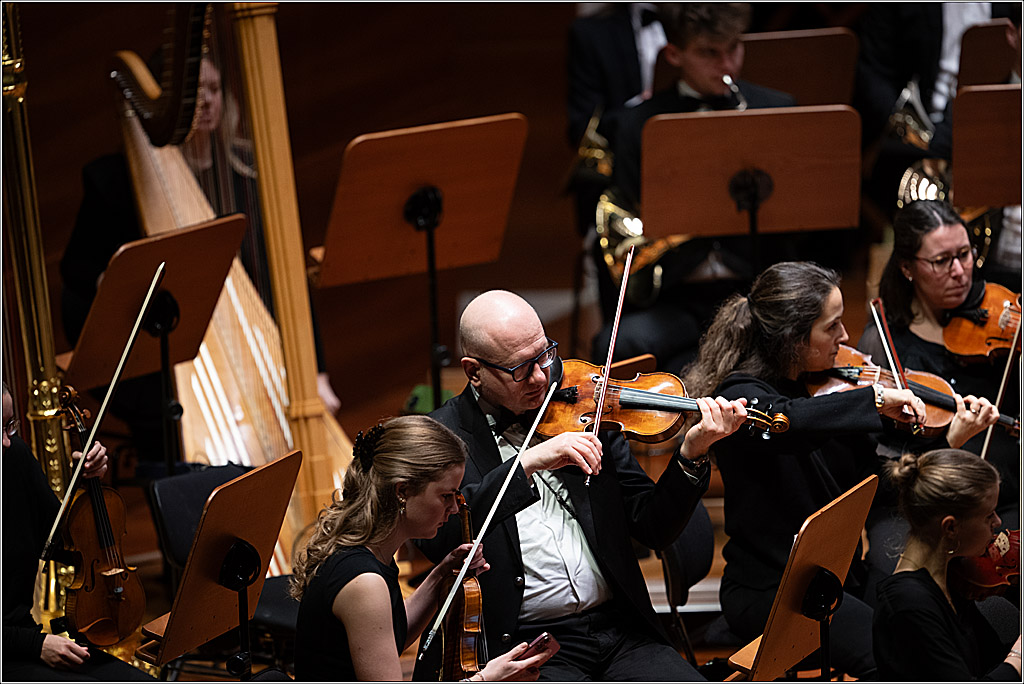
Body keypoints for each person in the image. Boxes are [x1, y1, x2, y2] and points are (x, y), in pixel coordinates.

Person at [681, 260, 999, 679]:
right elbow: (789, 421)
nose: (845, 337)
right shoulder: (741, 399)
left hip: (837, 578)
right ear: (794, 337)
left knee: (933, 621)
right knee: (890, 657)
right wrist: (875, 401)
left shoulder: (819, 390)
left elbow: (875, 487)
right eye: (831, 327)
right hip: (775, 592)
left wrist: (946, 441)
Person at [414, 289, 749, 681]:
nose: (542, 377)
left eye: (544, 354)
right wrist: (525, 465)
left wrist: (692, 454)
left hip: (621, 631)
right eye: (520, 369)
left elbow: (652, 525)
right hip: (529, 648)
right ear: (475, 371)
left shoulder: (585, 404)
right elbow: (439, 537)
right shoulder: (441, 436)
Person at [60, 52, 341, 469]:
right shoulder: (112, 182)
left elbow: (287, 281)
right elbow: (78, 276)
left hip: (250, 346)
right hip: (157, 362)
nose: (207, 101)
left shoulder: (247, 175)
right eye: (194, 93)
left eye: (214, 89)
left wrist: (314, 372)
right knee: (180, 447)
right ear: (162, 108)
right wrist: (119, 280)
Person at [591, 2, 797, 375]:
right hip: (677, 296)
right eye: (709, 52)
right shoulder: (639, 124)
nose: (727, 64)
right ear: (674, 54)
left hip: (755, 293)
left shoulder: (777, 111)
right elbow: (629, 209)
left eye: (734, 47)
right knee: (614, 343)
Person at [290, 415, 551, 682]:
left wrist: (443, 573)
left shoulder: (370, 553)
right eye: (446, 496)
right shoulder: (363, 582)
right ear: (402, 491)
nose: (454, 509)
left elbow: (391, 638)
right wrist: (486, 679)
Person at [857, 199, 1020, 598]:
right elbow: (879, 469)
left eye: (965, 254)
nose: (961, 271)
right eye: (942, 261)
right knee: (897, 582)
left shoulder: (1002, 318)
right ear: (908, 267)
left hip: (1006, 498)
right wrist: (948, 443)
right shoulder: (886, 345)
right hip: (919, 508)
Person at [2, 383, 154, 681]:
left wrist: (88, 481)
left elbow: (64, 544)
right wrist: (36, 645)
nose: (6, 442)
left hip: (26, 641)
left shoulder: (14, 457)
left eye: (9, 425)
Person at [873, 448, 1022, 680]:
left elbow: (987, 658)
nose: (998, 522)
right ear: (950, 527)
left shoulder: (950, 570)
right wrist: (1018, 656)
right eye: (988, 516)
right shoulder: (909, 607)